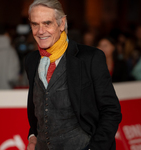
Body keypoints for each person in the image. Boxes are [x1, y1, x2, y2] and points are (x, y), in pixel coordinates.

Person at [25, 0, 122, 150]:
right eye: (35, 24)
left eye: (47, 23)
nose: (40, 31)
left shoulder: (90, 58)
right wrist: (33, 137)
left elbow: (111, 111)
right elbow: (39, 108)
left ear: (61, 23)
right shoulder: (31, 61)